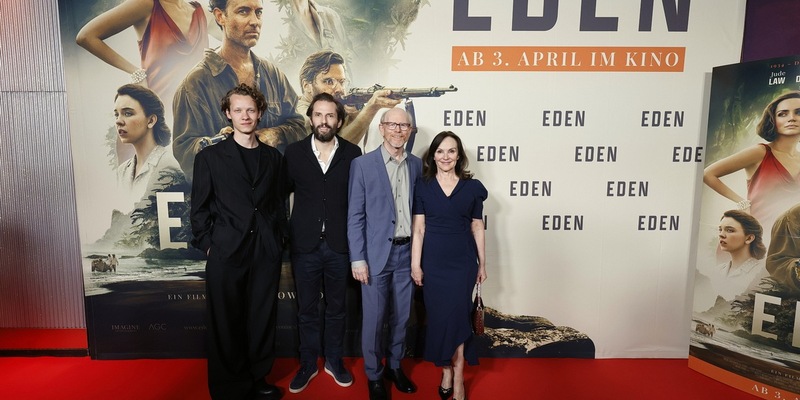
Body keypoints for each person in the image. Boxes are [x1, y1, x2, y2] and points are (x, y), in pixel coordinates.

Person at [190, 83, 288, 400]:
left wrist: (278, 239)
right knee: (225, 320)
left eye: (251, 110)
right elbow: (199, 209)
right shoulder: (209, 157)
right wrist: (209, 245)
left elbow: (278, 205)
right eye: (238, 110)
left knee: (261, 317)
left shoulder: (274, 158)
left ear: (259, 114)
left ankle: (258, 377)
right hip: (226, 250)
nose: (245, 116)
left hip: (265, 250)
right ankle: (228, 386)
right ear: (228, 114)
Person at [173, 0, 305, 181]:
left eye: (258, 12)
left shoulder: (273, 74)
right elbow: (185, 153)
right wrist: (218, 144)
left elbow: (300, 126)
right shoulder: (195, 84)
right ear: (220, 16)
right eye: (243, 11)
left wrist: (275, 134)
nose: (255, 21)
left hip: (274, 192)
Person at [283, 92, 362, 393]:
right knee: (306, 309)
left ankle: (333, 360)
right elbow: (280, 197)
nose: (324, 121)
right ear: (311, 118)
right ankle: (307, 364)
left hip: (340, 246)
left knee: (337, 309)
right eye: (318, 115)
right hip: (305, 246)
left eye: (330, 115)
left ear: (339, 121)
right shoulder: (294, 153)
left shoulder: (353, 154)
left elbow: (359, 200)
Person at [76, 0, 214, 161]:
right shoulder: (146, 4)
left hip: (196, 120)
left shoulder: (201, 12)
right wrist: (135, 72)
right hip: (154, 119)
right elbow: (86, 36)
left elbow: (232, 35)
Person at [347, 108, 422, 400]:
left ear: (410, 131)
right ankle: (374, 375)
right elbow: (355, 215)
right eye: (392, 124)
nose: (398, 130)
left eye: (404, 125)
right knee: (374, 320)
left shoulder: (416, 165)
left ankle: (394, 366)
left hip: (406, 255)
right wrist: (358, 258)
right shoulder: (362, 165)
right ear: (381, 128)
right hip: (376, 255)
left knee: (402, 317)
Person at [410, 131, 487, 400]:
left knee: (458, 319)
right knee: (440, 320)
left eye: (451, 151)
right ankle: (445, 370)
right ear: (433, 156)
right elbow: (418, 229)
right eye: (440, 151)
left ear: (459, 155)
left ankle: (458, 377)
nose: (446, 156)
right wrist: (416, 265)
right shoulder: (423, 186)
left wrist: (482, 264)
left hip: (462, 263)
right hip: (433, 264)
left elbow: (477, 226)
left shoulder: (472, 188)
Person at [704, 91, 800, 238]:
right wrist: (742, 202)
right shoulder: (760, 152)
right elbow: (708, 174)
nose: (791, 118)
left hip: (790, 240)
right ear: (773, 120)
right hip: (756, 238)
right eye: (783, 114)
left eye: (798, 112)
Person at [296, 51, 401, 145]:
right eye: (329, 82)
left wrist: (354, 116)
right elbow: (334, 148)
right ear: (306, 85)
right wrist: (371, 109)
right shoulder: (301, 116)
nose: (339, 89)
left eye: (342, 82)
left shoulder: (335, 109)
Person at [113, 84, 184, 207]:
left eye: (128, 113)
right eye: (116, 115)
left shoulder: (170, 165)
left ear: (151, 120)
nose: (118, 121)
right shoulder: (122, 171)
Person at [710, 210, 767, 301]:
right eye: (720, 230)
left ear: (749, 238)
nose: (721, 235)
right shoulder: (717, 271)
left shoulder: (761, 273)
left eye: (730, 230)